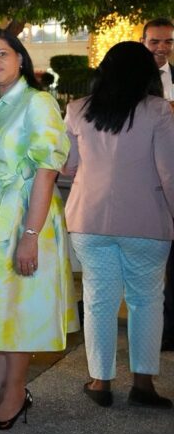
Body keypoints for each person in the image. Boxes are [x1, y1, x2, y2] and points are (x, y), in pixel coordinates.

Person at [0, 28, 78, 430]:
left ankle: (15, 393)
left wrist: (30, 237)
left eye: (2, 54)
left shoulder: (38, 101)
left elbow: (46, 171)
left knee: (20, 307)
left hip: (25, 215)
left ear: (20, 58)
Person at [64, 41, 174, 409]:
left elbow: (68, 167)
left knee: (98, 301)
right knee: (146, 301)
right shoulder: (159, 111)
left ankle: (101, 382)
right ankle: (143, 384)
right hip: (147, 220)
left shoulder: (78, 109)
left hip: (89, 220)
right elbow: (169, 172)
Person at [140, 18, 174, 351]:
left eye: (168, 42)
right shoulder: (130, 81)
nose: (162, 48)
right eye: (155, 42)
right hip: (140, 183)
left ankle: (168, 329)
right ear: (143, 41)